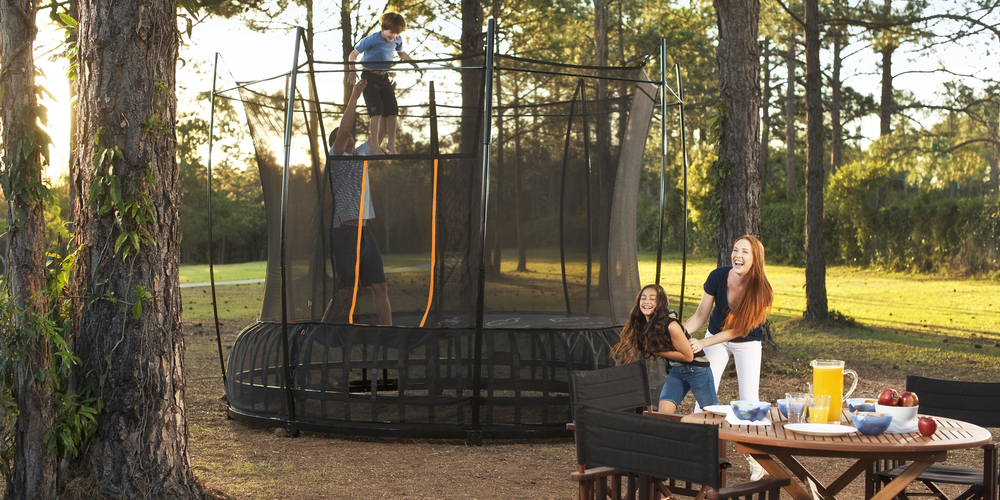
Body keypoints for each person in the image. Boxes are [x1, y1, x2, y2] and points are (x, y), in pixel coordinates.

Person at [686, 234, 774, 480]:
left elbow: (740, 330)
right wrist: (678, 333)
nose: (738, 255)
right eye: (736, 250)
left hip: (746, 343)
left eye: (745, 252)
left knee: (749, 403)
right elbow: (700, 315)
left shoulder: (762, 289)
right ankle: (698, 457)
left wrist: (702, 342)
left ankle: (757, 461)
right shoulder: (717, 277)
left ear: (755, 259)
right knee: (703, 397)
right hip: (715, 336)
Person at [324, 79, 392, 326]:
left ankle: (388, 334)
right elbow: (343, 131)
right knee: (347, 290)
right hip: (345, 231)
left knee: (380, 286)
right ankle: (320, 332)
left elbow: (382, 132)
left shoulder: (361, 154)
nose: (350, 135)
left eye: (353, 135)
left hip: (365, 232)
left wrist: (384, 97)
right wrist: (354, 96)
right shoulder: (336, 156)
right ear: (335, 143)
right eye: (343, 136)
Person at [610, 284, 718, 414]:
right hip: (676, 371)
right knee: (663, 413)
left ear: (660, 303)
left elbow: (688, 356)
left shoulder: (671, 325)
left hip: (697, 369)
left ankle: (727, 433)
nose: (646, 301)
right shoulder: (646, 324)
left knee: (711, 412)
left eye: (652, 298)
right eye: (643, 298)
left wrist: (658, 352)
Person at [346, 12, 420, 155]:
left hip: (384, 77)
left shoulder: (397, 40)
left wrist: (413, 63)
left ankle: (391, 144)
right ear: (383, 27)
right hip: (369, 76)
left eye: (397, 33)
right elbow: (353, 54)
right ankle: (374, 145)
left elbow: (402, 53)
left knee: (392, 109)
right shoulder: (372, 39)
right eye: (391, 32)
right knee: (377, 110)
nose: (393, 35)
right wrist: (352, 71)